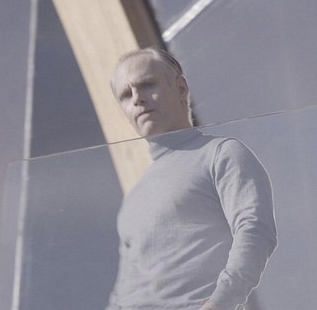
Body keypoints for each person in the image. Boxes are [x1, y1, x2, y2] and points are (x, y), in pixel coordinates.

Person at [106, 48, 277, 310]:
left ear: (181, 88)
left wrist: (219, 303)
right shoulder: (134, 197)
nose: (137, 99)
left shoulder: (221, 154)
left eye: (147, 85)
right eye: (126, 95)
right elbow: (123, 290)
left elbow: (254, 231)